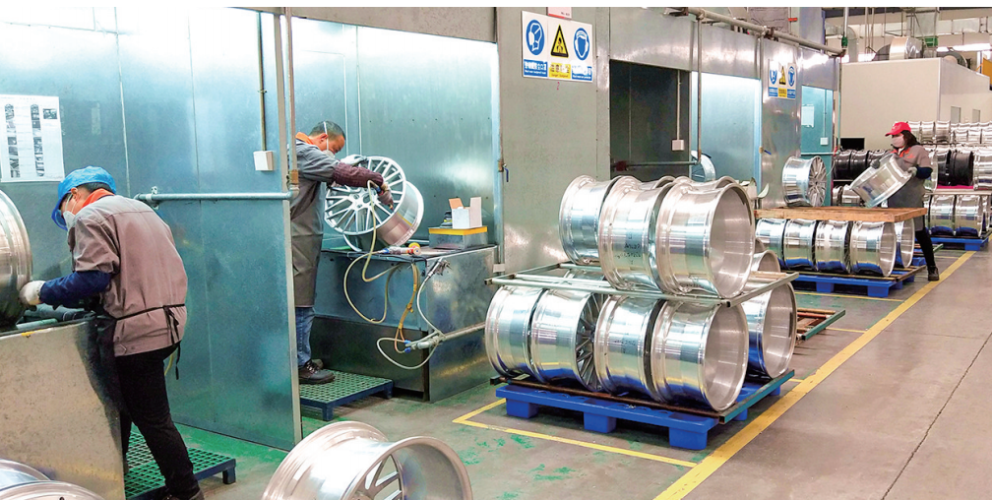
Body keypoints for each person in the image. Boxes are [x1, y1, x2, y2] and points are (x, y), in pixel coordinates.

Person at [17, 166, 202, 500]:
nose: (67, 216)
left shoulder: (91, 217)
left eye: (64, 208)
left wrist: (42, 291)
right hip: (169, 325)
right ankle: (118, 468)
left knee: (153, 419)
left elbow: (92, 279)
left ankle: (186, 492)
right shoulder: (144, 212)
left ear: (74, 195)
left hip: (136, 334)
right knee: (124, 405)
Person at [292, 121, 393, 384]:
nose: (333, 155)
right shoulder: (303, 151)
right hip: (296, 241)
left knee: (299, 301)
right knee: (301, 303)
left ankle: (297, 359)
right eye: (334, 149)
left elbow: (337, 177)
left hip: (300, 239)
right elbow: (342, 172)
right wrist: (378, 181)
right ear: (322, 138)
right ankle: (300, 365)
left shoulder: (297, 153)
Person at [885, 121, 939, 281]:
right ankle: (894, 264)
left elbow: (927, 170)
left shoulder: (918, 150)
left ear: (906, 136)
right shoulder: (891, 154)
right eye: (892, 136)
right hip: (894, 199)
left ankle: (932, 267)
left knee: (920, 232)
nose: (894, 139)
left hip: (912, 199)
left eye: (897, 135)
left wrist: (917, 171)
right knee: (893, 233)